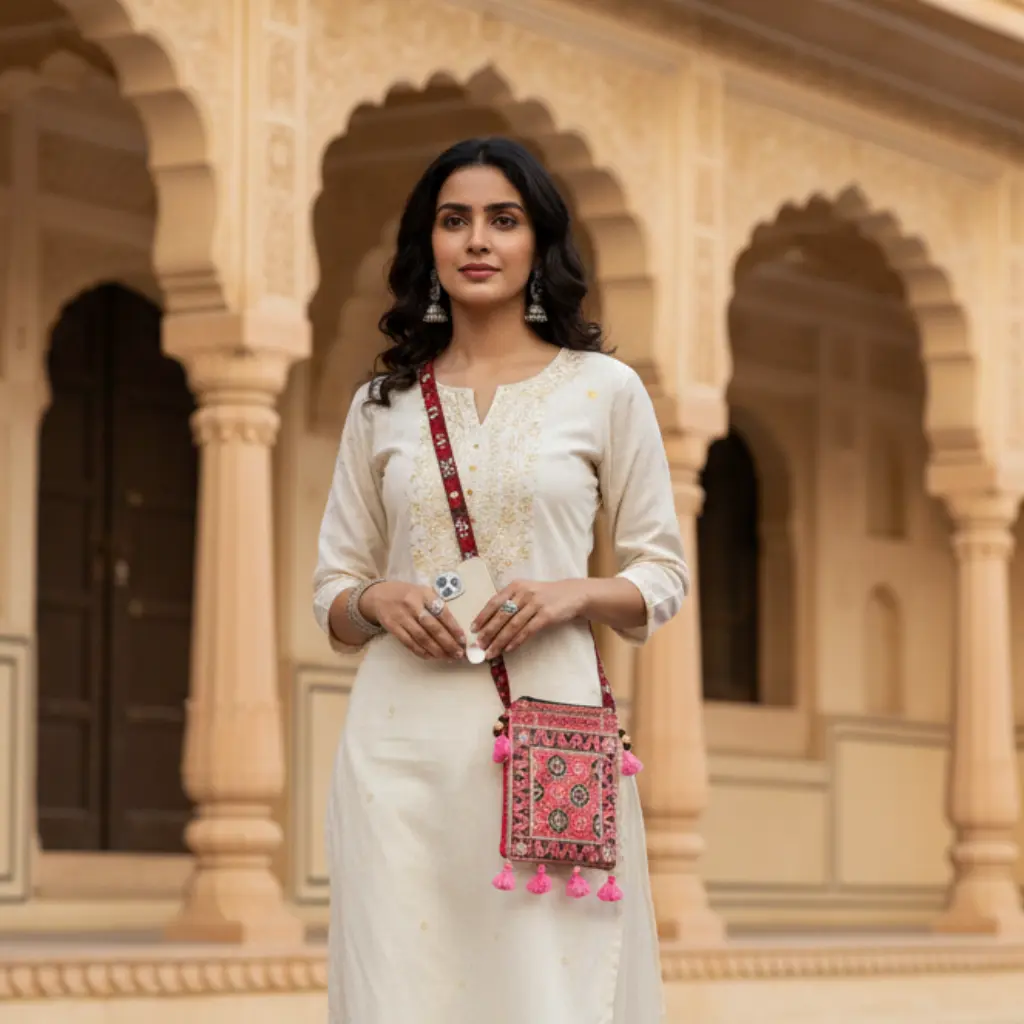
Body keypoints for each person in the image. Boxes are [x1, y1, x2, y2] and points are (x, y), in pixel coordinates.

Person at [313, 136, 688, 1024]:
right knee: (402, 986)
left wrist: (573, 593)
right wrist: (376, 598)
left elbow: (662, 571)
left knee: (548, 986)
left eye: (502, 220)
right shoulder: (384, 406)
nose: (477, 240)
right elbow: (332, 585)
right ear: (430, 248)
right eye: (455, 221)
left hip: (545, 741)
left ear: (537, 244)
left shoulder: (603, 390)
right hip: (399, 746)